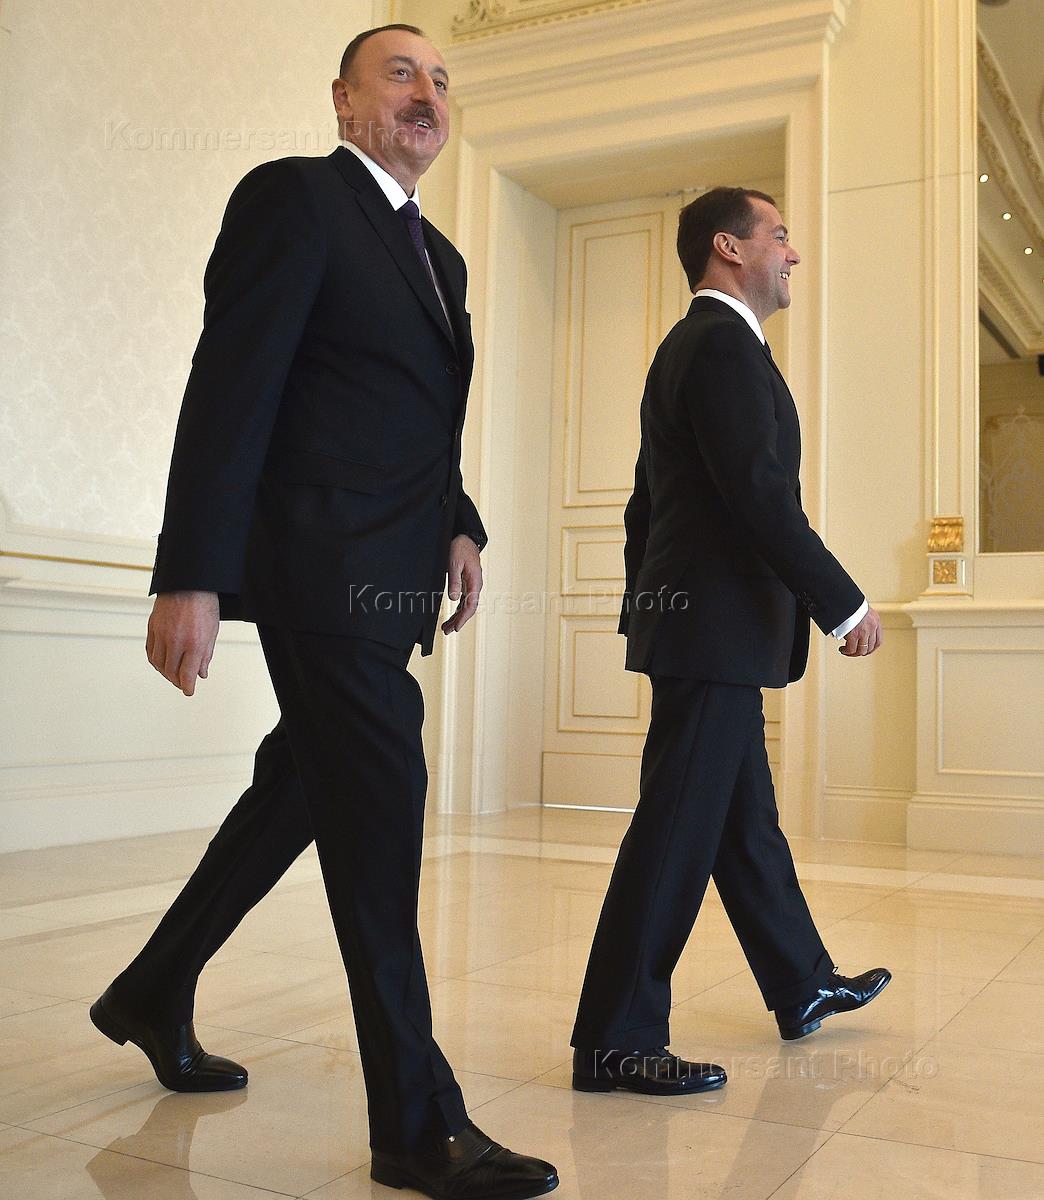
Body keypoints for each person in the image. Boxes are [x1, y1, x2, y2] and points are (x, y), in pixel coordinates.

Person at [89, 24, 558, 1200]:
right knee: (382, 793)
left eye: (442, 79)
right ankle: (415, 1121)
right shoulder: (294, 200)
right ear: (344, 100)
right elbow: (232, 384)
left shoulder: (439, 259)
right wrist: (190, 572)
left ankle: (151, 988)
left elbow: (417, 416)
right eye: (400, 73)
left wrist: (460, 521)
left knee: (303, 784)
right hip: (313, 561)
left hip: (392, 569)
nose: (427, 92)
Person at [569, 187, 891, 1097]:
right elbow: (759, 495)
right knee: (675, 833)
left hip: (704, 631)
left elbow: (648, 504)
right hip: (711, 632)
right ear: (729, 247)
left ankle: (802, 982)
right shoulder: (717, 346)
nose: (793, 253)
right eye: (779, 235)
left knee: (744, 825)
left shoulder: (701, 347)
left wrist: (651, 610)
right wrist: (841, 603)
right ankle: (617, 1039)